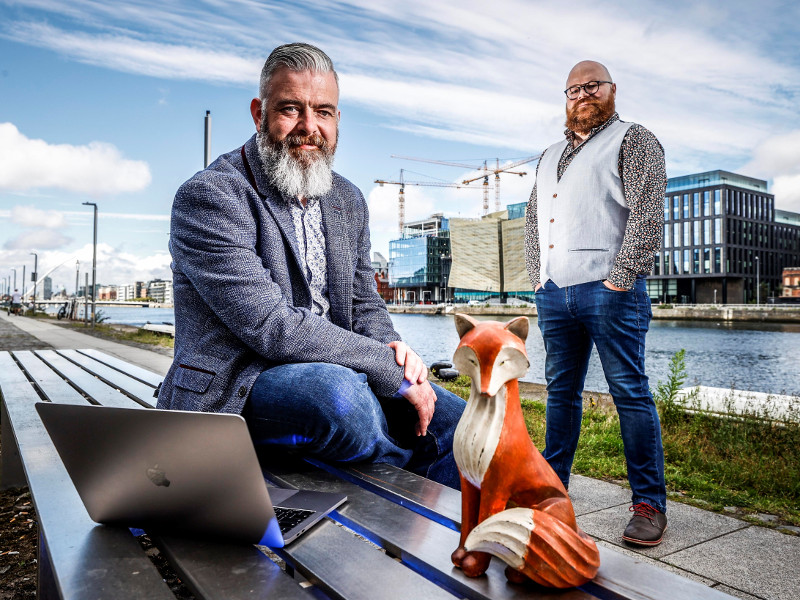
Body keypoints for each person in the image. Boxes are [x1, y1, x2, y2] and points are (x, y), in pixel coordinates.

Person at [157, 43, 465, 489]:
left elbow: (363, 303)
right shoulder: (211, 196)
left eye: (323, 111)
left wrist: (400, 358)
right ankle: (402, 482)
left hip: (338, 368)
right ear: (257, 112)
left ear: (337, 119)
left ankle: (428, 534)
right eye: (290, 109)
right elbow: (270, 325)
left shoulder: (347, 199)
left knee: (457, 421)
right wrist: (384, 367)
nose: (309, 127)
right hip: (240, 382)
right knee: (337, 400)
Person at [524, 60, 668, 545]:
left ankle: (649, 504)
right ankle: (550, 488)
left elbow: (647, 214)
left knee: (629, 391)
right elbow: (532, 221)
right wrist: (538, 281)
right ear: (565, 100)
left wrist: (620, 279)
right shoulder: (547, 156)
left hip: (611, 291)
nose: (582, 94)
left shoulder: (634, 139)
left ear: (611, 90)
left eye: (593, 86)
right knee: (560, 392)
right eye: (573, 89)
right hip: (554, 294)